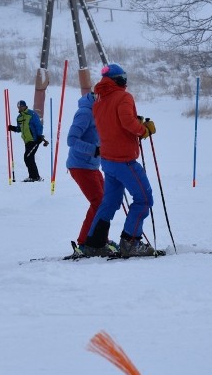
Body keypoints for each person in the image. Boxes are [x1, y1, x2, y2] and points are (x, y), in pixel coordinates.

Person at [84, 64, 159, 257]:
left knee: (110, 202)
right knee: (144, 198)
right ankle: (131, 241)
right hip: (124, 159)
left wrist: (136, 121)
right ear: (119, 79)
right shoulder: (124, 96)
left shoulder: (99, 100)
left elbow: (115, 122)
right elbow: (127, 122)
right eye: (123, 76)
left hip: (108, 160)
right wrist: (144, 130)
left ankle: (94, 242)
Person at [65, 91, 118, 257]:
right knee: (99, 202)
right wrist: (94, 150)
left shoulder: (99, 112)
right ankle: (84, 242)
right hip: (80, 165)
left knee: (105, 202)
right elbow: (71, 139)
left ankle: (99, 239)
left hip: (93, 166)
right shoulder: (85, 112)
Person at [8, 100, 48, 182]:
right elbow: (20, 129)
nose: (20, 108)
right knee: (29, 158)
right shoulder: (19, 117)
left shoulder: (31, 114)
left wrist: (39, 135)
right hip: (27, 141)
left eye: (22, 106)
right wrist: (13, 128)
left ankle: (34, 177)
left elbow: (38, 125)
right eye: (19, 107)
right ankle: (35, 177)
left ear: (25, 106)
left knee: (27, 157)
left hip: (34, 140)